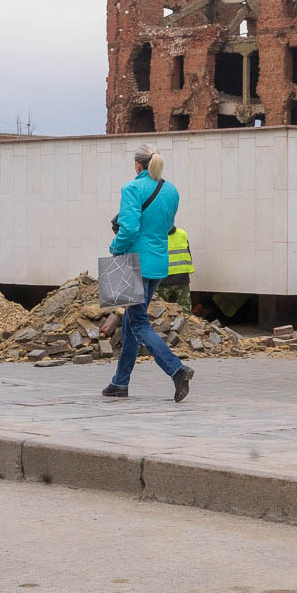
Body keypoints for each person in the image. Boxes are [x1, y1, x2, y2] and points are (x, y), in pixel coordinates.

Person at [102, 143, 194, 402]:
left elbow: (129, 229)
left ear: (138, 165)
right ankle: (120, 383)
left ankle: (176, 370)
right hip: (157, 266)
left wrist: (114, 247)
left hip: (133, 262)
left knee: (139, 322)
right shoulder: (172, 190)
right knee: (132, 323)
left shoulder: (131, 188)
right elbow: (168, 227)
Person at [157, 226, 194, 311]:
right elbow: (188, 255)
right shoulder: (182, 233)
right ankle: (188, 324)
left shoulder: (155, 235)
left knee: (161, 310)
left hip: (162, 280)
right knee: (185, 309)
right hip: (182, 278)